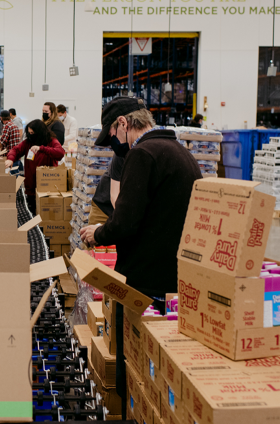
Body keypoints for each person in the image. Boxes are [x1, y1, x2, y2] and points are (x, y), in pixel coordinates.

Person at [76, 97, 202, 415]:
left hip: (147, 278)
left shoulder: (143, 154)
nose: (116, 146)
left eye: (114, 137)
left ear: (123, 124)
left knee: (134, 364)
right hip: (173, 273)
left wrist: (98, 233)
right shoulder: (180, 151)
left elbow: (126, 221)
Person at [5, 120, 65, 214]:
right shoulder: (28, 142)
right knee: (32, 211)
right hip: (31, 186)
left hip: (48, 186)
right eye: (29, 133)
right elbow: (16, 150)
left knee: (47, 213)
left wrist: (42, 148)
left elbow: (60, 153)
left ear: (39, 132)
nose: (30, 135)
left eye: (32, 133)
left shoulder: (51, 141)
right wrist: (10, 159)